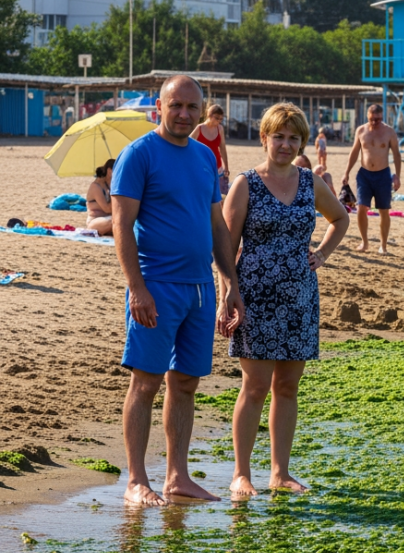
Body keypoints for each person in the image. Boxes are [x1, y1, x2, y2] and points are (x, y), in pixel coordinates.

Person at [111, 74, 244, 507]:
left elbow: (216, 225)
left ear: (202, 111)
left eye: (192, 108)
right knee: (146, 383)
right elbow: (121, 226)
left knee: (185, 382)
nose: (184, 114)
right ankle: (136, 480)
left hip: (200, 288)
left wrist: (229, 284)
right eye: (176, 106)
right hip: (156, 286)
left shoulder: (205, 158)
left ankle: (176, 477)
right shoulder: (138, 155)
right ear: (159, 108)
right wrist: (137, 288)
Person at [222, 102, 349, 497]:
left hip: (299, 296)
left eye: (294, 138)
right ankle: (241, 474)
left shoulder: (310, 181)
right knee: (255, 386)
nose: (285, 144)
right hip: (254, 296)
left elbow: (340, 218)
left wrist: (322, 254)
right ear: (264, 138)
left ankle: (280, 472)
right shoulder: (245, 183)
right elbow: (225, 246)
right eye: (279, 136)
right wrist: (228, 293)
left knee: (288, 388)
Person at [344, 104, 401, 254]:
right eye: (371, 119)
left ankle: (383, 245)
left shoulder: (389, 132)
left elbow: (396, 155)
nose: (374, 122)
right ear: (367, 117)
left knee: (384, 210)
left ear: (382, 117)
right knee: (361, 207)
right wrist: (346, 172)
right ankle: (364, 242)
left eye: (378, 119)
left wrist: (397, 176)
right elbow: (354, 152)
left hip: (383, 174)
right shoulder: (361, 131)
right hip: (364, 175)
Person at [192, 104, 230, 195]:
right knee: (203, 195)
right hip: (201, 168)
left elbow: (223, 148)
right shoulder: (199, 128)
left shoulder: (220, 129)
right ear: (209, 115)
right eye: (216, 118)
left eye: (221, 119)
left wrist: (226, 167)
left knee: (219, 196)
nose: (218, 121)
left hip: (217, 168)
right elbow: (188, 145)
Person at [86, 158, 114, 236]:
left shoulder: (107, 185)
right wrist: (114, 191)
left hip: (108, 218)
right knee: (116, 220)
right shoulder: (96, 187)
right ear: (109, 171)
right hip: (95, 222)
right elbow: (107, 209)